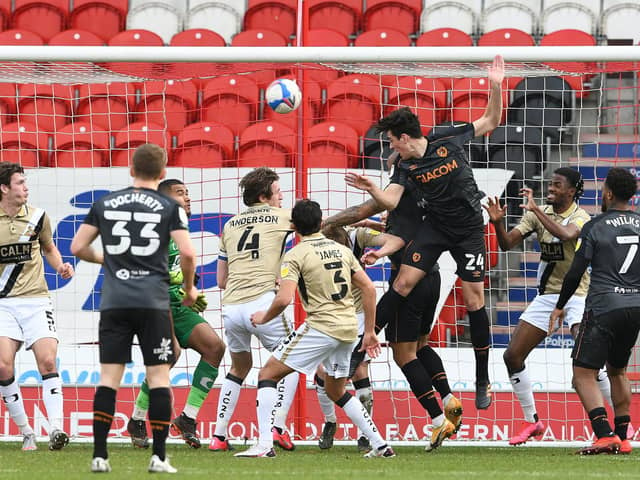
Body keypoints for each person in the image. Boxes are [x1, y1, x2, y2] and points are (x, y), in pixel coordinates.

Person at [342, 55, 505, 409]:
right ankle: (359, 351)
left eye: (392, 141)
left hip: (468, 231)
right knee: (402, 283)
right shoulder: (404, 163)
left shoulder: (448, 136)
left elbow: (492, 119)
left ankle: (482, 379)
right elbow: (390, 200)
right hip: (436, 228)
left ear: (404, 137)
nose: (390, 148)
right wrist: (371, 186)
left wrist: (495, 84)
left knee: (474, 299)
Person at [71, 143, 198, 474]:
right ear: (163, 173)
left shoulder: (105, 203)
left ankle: (100, 456)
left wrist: (108, 259)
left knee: (109, 377)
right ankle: (158, 457)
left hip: (115, 301)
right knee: (158, 376)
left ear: (130, 169)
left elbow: (77, 247)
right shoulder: (169, 207)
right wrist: (189, 287)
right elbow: (187, 253)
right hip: (152, 302)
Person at [235, 199, 393, 458]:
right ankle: (381, 445)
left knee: (267, 375)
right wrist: (370, 332)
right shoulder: (341, 250)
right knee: (336, 390)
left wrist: (264, 317)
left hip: (321, 327)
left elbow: (284, 298)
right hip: (349, 330)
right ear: (321, 223)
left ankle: (264, 445)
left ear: (293, 226)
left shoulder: (295, 254)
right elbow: (369, 288)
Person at [483, 167, 594, 445]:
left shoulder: (582, 217)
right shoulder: (536, 212)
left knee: (588, 357)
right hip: (547, 297)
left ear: (571, 191)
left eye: (557, 185)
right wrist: (497, 222)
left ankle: (616, 423)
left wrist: (537, 211)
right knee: (512, 356)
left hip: (579, 294)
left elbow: (567, 235)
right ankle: (533, 422)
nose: (551, 188)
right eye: (550, 184)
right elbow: (507, 244)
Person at [126, 179, 226, 449]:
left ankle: (187, 419)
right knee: (169, 355)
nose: (188, 198)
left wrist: (186, 291)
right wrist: (183, 287)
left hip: (174, 302)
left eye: (188, 192)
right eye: (180, 193)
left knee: (215, 347)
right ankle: (136, 419)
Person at [550, 167, 640, 455]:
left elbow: (576, 272)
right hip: (635, 307)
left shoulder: (595, 225)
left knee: (582, 374)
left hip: (603, 306)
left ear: (609, 193)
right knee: (618, 371)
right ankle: (624, 437)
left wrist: (560, 306)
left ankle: (604, 435)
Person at [211, 167, 299, 452]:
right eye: (278, 191)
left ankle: (219, 436)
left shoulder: (230, 225)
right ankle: (276, 429)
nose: (282, 196)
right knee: (292, 360)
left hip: (232, 307)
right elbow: (317, 226)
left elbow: (220, 280)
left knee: (239, 367)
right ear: (264, 196)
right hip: (263, 302)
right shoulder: (283, 217)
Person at [0, 162, 74, 451]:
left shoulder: (38, 217)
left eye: (25, 182)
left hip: (35, 299)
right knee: (3, 365)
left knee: (47, 360)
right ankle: (26, 431)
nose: (25, 187)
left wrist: (60, 266)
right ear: (4, 188)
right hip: (3, 303)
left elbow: (49, 247)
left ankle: (56, 428)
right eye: (19, 182)